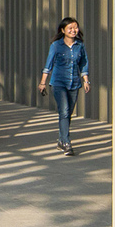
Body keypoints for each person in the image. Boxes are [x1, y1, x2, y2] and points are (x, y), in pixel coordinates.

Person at [39, 16, 90, 156]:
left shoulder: (80, 45)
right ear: (63, 30)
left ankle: (61, 140)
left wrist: (86, 80)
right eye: (70, 28)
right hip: (58, 83)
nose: (74, 30)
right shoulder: (56, 45)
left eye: (75, 28)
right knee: (65, 111)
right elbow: (48, 65)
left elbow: (84, 63)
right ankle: (67, 143)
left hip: (74, 83)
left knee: (68, 114)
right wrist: (43, 82)